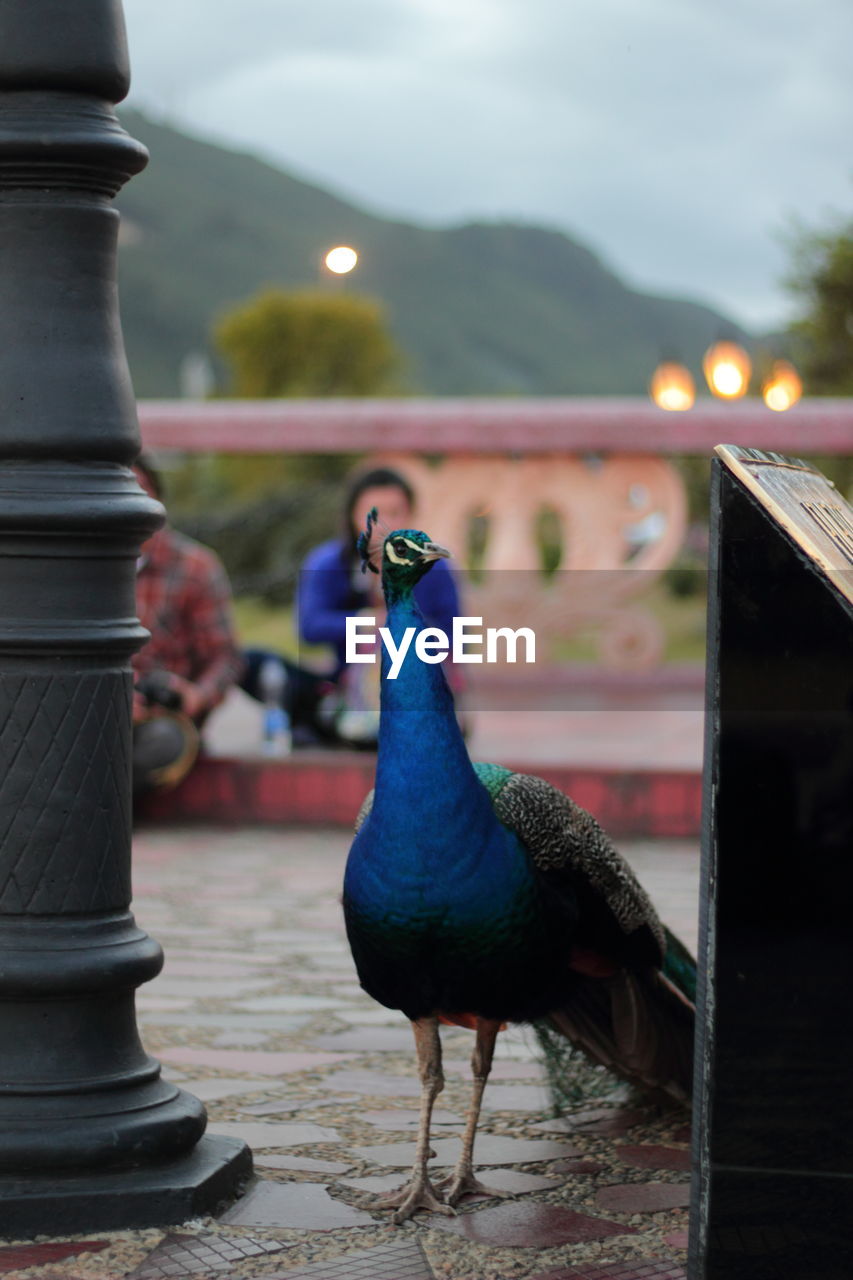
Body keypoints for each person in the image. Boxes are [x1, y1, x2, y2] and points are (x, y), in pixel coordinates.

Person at [295, 466, 463, 744]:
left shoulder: (435, 568)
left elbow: (456, 636)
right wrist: (368, 620)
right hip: (345, 682)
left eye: (395, 513)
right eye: (373, 515)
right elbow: (309, 626)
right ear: (352, 515)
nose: (385, 526)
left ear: (411, 515)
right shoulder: (327, 563)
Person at [132, 455, 243, 792]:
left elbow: (227, 659)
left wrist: (195, 695)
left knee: (163, 743)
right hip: (90, 713)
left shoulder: (196, 567)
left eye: (137, 491)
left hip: (164, 721)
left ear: (157, 501)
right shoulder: (76, 565)